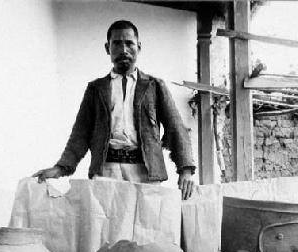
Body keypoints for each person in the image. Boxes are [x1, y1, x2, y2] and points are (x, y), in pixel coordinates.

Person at [33, 19, 196, 200]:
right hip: (106, 170)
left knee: (146, 225)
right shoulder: (96, 89)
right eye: (117, 43)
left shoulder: (155, 86)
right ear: (107, 48)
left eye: (129, 43)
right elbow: (81, 132)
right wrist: (61, 168)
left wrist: (186, 170)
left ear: (139, 47)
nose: (124, 49)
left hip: (146, 171)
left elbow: (176, 127)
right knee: (105, 225)